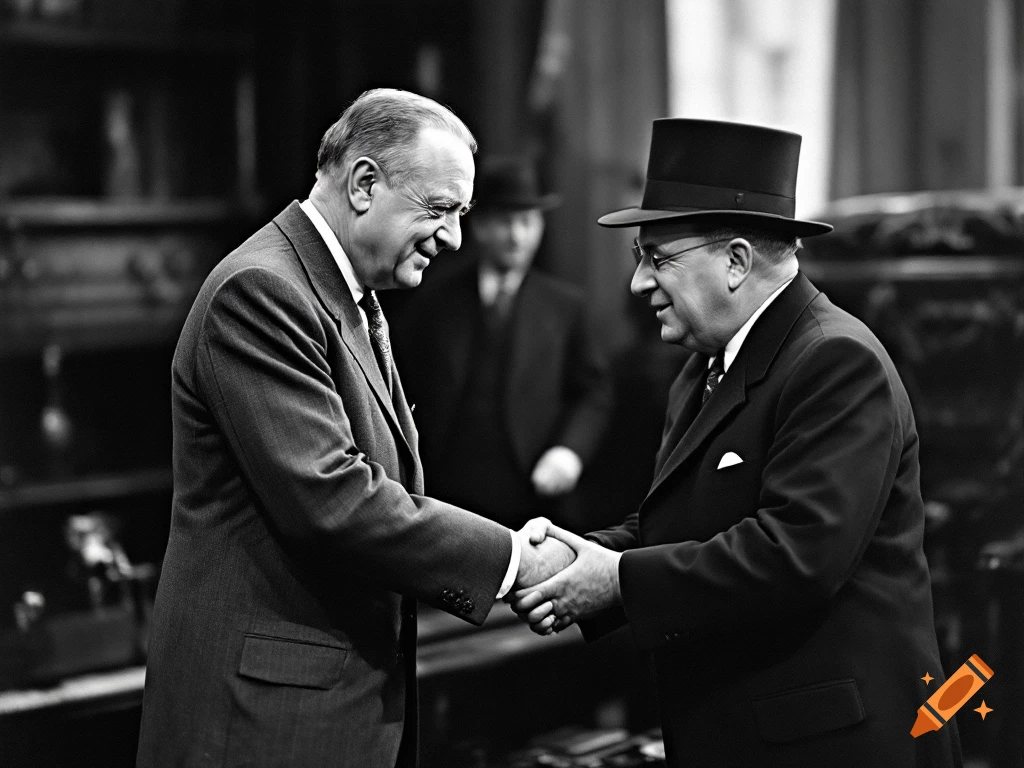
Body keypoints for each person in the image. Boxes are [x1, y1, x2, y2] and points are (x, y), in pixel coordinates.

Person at [136, 89, 573, 768]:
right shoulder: (261, 292)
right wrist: (516, 563)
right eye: (439, 209)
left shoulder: (347, 294)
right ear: (364, 183)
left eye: (462, 214)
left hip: (320, 712)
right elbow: (334, 500)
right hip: (264, 723)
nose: (455, 237)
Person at [511, 119, 962, 767]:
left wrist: (616, 581)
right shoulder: (703, 367)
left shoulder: (835, 360)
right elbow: (682, 523)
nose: (639, 283)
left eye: (656, 257)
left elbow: (796, 556)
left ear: (737, 261)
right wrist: (580, 555)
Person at [390, 157, 613, 530]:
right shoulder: (433, 300)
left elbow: (595, 393)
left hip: (534, 498)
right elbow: (400, 382)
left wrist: (567, 454)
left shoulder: (565, 307)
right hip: (446, 497)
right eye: (505, 222)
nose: (517, 237)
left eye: (528, 222)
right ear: (478, 226)